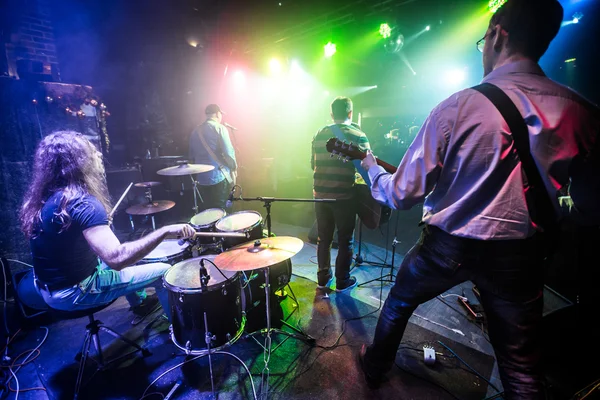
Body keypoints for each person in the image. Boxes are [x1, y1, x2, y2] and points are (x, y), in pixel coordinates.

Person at [357, 0, 600, 398]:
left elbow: (401, 194)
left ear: (498, 34)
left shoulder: (459, 106)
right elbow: (591, 207)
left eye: (482, 40)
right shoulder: (581, 112)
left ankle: (373, 367)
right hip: (520, 258)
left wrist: (370, 168)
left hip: (446, 247)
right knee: (521, 368)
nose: (482, 50)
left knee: (399, 304)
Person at [19, 131, 195, 320]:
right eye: (92, 151)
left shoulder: (47, 199)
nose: (99, 155)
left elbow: (67, 242)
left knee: (127, 257)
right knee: (164, 271)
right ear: (79, 161)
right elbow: (117, 258)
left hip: (46, 288)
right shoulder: (84, 204)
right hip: (74, 292)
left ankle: (140, 304)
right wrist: (165, 231)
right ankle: (183, 335)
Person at [311, 96, 371, 292]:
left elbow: (313, 164)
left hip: (320, 195)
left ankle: (322, 278)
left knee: (323, 238)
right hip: (344, 198)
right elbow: (368, 167)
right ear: (350, 113)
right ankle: (342, 281)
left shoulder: (319, 134)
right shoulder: (358, 134)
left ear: (331, 114)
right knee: (346, 240)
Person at [188, 104, 237, 211]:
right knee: (221, 211)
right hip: (218, 177)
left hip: (201, 179)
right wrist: (234, 168)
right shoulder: (220, 128)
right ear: (218, 114)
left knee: (207, 212)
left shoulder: (195, 131)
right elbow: (228, 153)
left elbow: (191, 155)